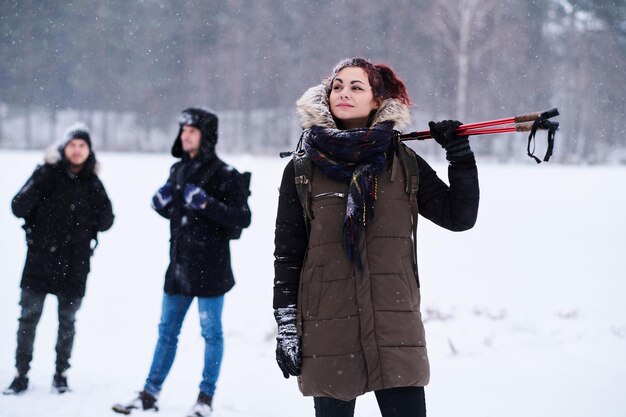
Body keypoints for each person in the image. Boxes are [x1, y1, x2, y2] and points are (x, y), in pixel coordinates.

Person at [272, 57, 480, 417]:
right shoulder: (303, 168)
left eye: (356, 86)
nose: (344, 93)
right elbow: (288, 255)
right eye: (337, 86)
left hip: (393, 322)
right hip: (328, 323)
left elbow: (458, 216)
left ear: (377, 100)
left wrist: (460, 158)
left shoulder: (402, 162)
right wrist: (287, 325)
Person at [112, 107, 251, 417]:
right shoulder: (178, 170)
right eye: (183, 130)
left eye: (191, 131)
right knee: (166, 332)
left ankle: (205, 398)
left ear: (206, 136)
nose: (185, 135)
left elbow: (242, 219)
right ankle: (149, 394)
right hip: (178, 269)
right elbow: (179, 213)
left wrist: (206, 203)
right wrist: (161, 205)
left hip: (212, 270)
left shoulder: (225, 174)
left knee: (211, 334)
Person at [3, 123, 114, 395]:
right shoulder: (45, 174)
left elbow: (107, 220)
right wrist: (39, 187)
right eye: (72, 145)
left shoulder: (92, 182)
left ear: (89, 151)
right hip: (40, 260)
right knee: (28, 319)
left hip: (75, 264)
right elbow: (18, 206)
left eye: (82, 146)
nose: (77, 151)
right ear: (63, 148)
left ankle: (60, 373)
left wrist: (87, 223)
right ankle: (21, 373)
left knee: (67, 322)